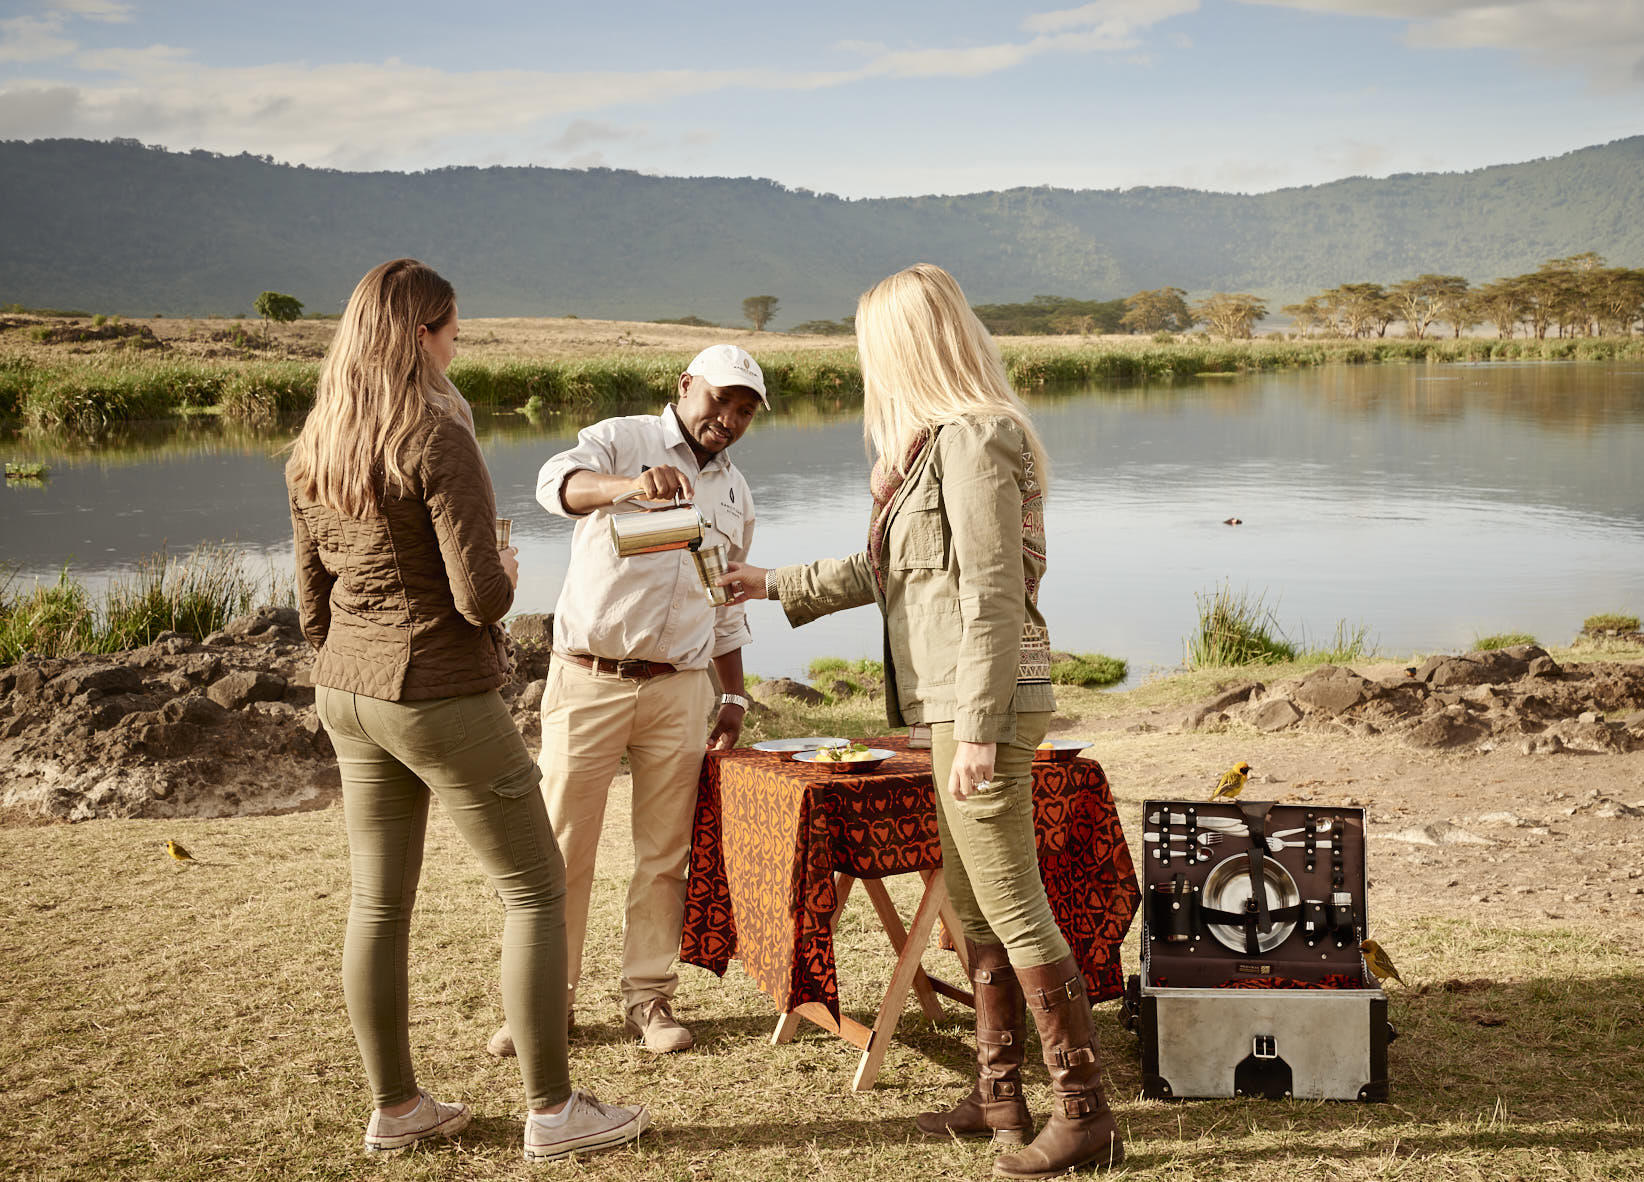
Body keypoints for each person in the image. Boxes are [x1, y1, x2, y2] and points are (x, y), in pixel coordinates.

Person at [722, 264, 1121, 1178]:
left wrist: (978, 726)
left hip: (982, 703)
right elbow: (889, 573)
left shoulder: (978, 440)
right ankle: (997, 1095)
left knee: (1012, 901)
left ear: (908, 347)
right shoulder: (933, 449)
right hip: (951, 702)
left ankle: (1085, 1114)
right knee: (975, 905)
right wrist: (772, 580)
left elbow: (994, 593)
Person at [287, 258, 647, 1162]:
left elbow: (311, 607)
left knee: (378, 902)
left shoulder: (316, 443)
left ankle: (397, 1108)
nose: (458, 347)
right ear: (420, 336)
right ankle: (555, 1113)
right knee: (535, 886)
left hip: (348, 690)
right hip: (435, 689)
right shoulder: (435, 435)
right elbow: (480, 597)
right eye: (454, 332)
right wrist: (508, 571)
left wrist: (354, 659)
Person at [485, 343, 762, 1057]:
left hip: (680, 689)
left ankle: (649, 998)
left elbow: (726, 600)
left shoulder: (736, 492)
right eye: (720, 400)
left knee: (664, 854)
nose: (729, 419)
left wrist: (734, 696)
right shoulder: (622, 439)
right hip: (590, 678)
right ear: (685, 385)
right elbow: (554, 485)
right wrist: (628, 487)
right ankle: (545, 1004)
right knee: (561, 849)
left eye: (744, 411)